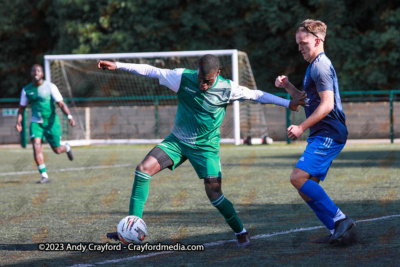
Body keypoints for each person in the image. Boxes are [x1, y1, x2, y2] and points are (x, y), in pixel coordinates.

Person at [99, 54, 306, 247]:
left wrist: (288, 103)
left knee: (214, 195)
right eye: (200, 79)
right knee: (143, 169)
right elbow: (151, 70)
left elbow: (257, 95)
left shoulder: (228, 88)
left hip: (206, 149)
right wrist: (118, 65)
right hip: (177, 143)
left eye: (207, 81)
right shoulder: (182, 77)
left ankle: (240, 230)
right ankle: (130, 229)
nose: (202, 84)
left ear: (217, 73)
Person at [275, 19, 355, 244]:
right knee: (305, 187)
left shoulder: (320, 66)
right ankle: (336, 231)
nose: (299, 47)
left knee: (298, 178)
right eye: (298, 43)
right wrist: (288, 86)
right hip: (323, 132)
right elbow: (304, 99)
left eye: (303, 43)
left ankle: (340, 220)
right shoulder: (313, 65)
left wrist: (301, 126)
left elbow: (327, 104)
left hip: (330, 132)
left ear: (317, 40)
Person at [15, 64, 76, 184]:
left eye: (38, 71)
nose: (35, 73)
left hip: (51, 123)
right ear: (31, 74)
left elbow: (61, 104)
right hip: (36, 123)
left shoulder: (50, 87)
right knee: (36, 146)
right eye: (33, 71)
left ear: (42, 74)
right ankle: (44, 175)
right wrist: (18, 121)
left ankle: (67, 147)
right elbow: (21, 108)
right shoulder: (26, 90)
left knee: (57, 150)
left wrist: (69, 116)